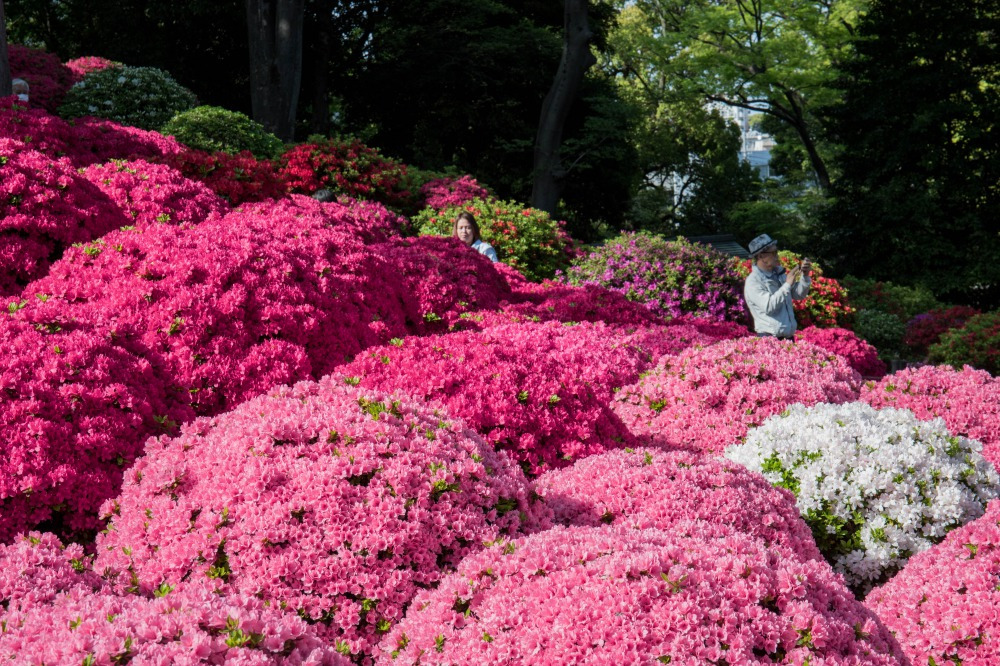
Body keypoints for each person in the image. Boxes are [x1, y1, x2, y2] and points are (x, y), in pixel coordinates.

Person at [743, 233, 812, 340]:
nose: (777, 255)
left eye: (777, 251)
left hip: (788, 338)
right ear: (761, 256)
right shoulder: (753, 281)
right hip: (769, 339)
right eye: (773, 252)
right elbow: (769, 307)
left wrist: (805, 276)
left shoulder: (779, 273)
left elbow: (799, 295)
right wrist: (787, 284)